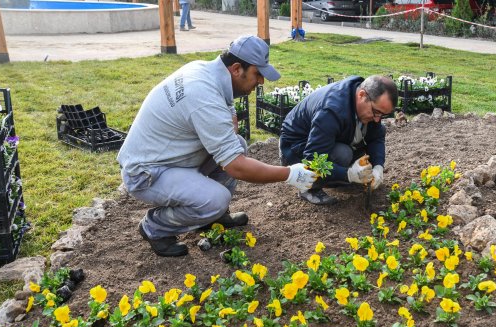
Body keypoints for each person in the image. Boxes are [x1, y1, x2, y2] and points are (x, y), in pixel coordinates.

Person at [118, 35, 316, 257]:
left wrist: (228, 120)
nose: (261, 82)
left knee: (237, 145)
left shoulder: (205, 71)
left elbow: (229, 124)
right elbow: (236, 167)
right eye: (257, 74)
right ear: (236, 69)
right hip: (147, 173)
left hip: (170, 157)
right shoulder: (203, 96)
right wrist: (290, 174)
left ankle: (212, 218)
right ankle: (154, 227)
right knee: (216, 198)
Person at [279, 75, 398, 205]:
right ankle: (309, 188)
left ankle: (341, 178)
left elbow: (376, 136)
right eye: (376, 112)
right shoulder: (331, 111)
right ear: (362, 95)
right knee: (343, 154)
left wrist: (378, 166)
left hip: (323, 139)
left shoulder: (362, 99)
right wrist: (349, 174)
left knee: (360, 154)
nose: (377, 119)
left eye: (382, 115)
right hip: (294, 148)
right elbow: (313, 159)